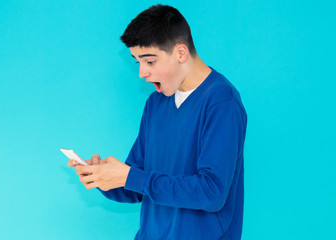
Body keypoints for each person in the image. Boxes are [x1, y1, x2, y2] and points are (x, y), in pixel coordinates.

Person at [68, 4, 247, 239]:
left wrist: (130, 177)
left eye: (150, 61)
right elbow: (138, 186)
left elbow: (211, 192)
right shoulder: (155, 103)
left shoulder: (221, 102)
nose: (142, 72)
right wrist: (103, 177)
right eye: (137, 62)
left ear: (181, 53)